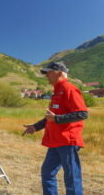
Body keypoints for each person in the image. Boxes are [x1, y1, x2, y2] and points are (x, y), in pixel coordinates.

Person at [22, 62, 88, 195]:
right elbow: (50, 117)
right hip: (55, 142)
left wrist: (58, 118)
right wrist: (35, 127)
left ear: (58, 72)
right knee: (47, 173)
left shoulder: (69, 89)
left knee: (71, 179)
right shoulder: (57, 91)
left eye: (48, 72)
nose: (46, 75)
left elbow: (82, 113)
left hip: (67, 141)